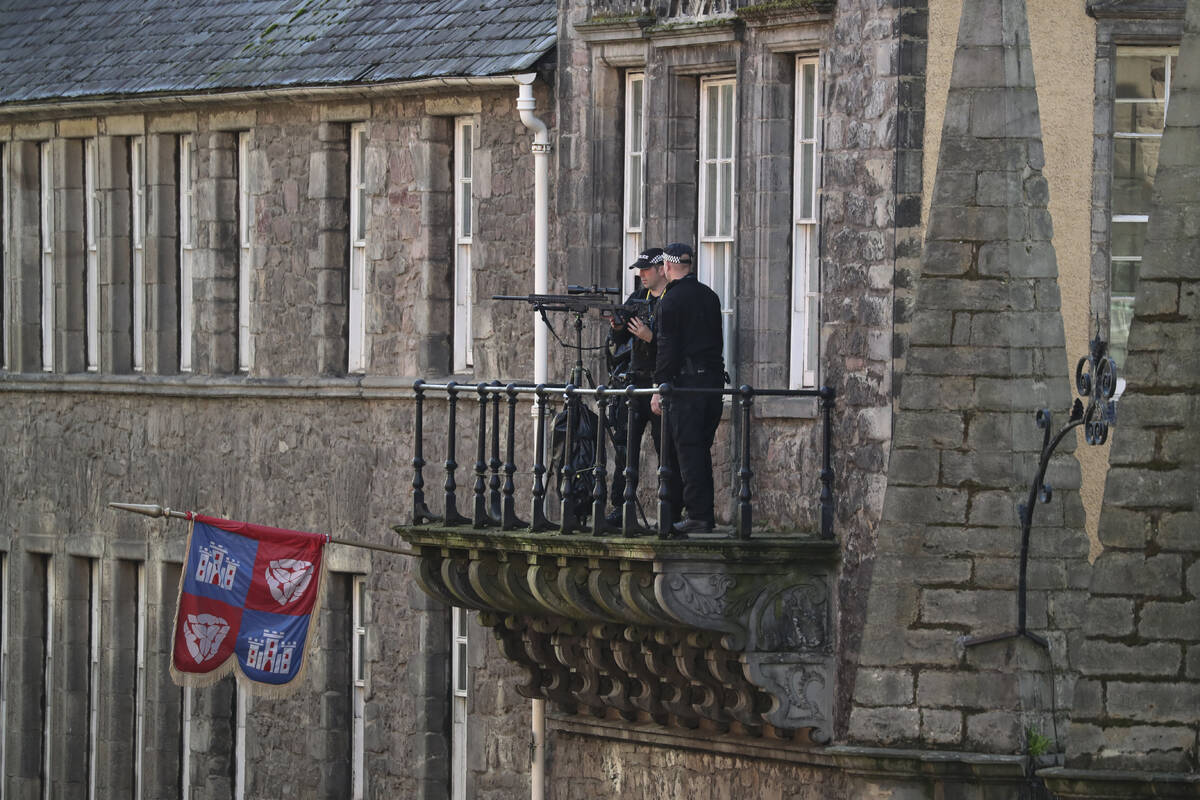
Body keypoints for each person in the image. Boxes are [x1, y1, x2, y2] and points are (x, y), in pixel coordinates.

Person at [650, 242, 724, 536]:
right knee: (700, 449)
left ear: (667, 267)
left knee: (688, 450)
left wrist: (659, 387)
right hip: (713, 384)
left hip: (688, 384)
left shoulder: (670, 301)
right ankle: (700, 512)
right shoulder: (710, 296)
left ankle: (698, 515)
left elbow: (667, 350)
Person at [605, 247, 667, 528]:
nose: (642, 275)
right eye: (639, 270)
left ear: (661, 270)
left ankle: (669, 508)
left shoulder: (671, 299)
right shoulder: (638, 297)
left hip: (660, 382)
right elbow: (618, 339)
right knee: (625, 448)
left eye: (646, 270)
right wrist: (617, 326)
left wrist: (649, 336)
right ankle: (621, 506)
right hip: (634, 379)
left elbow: (674, 345)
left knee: (665, 448)